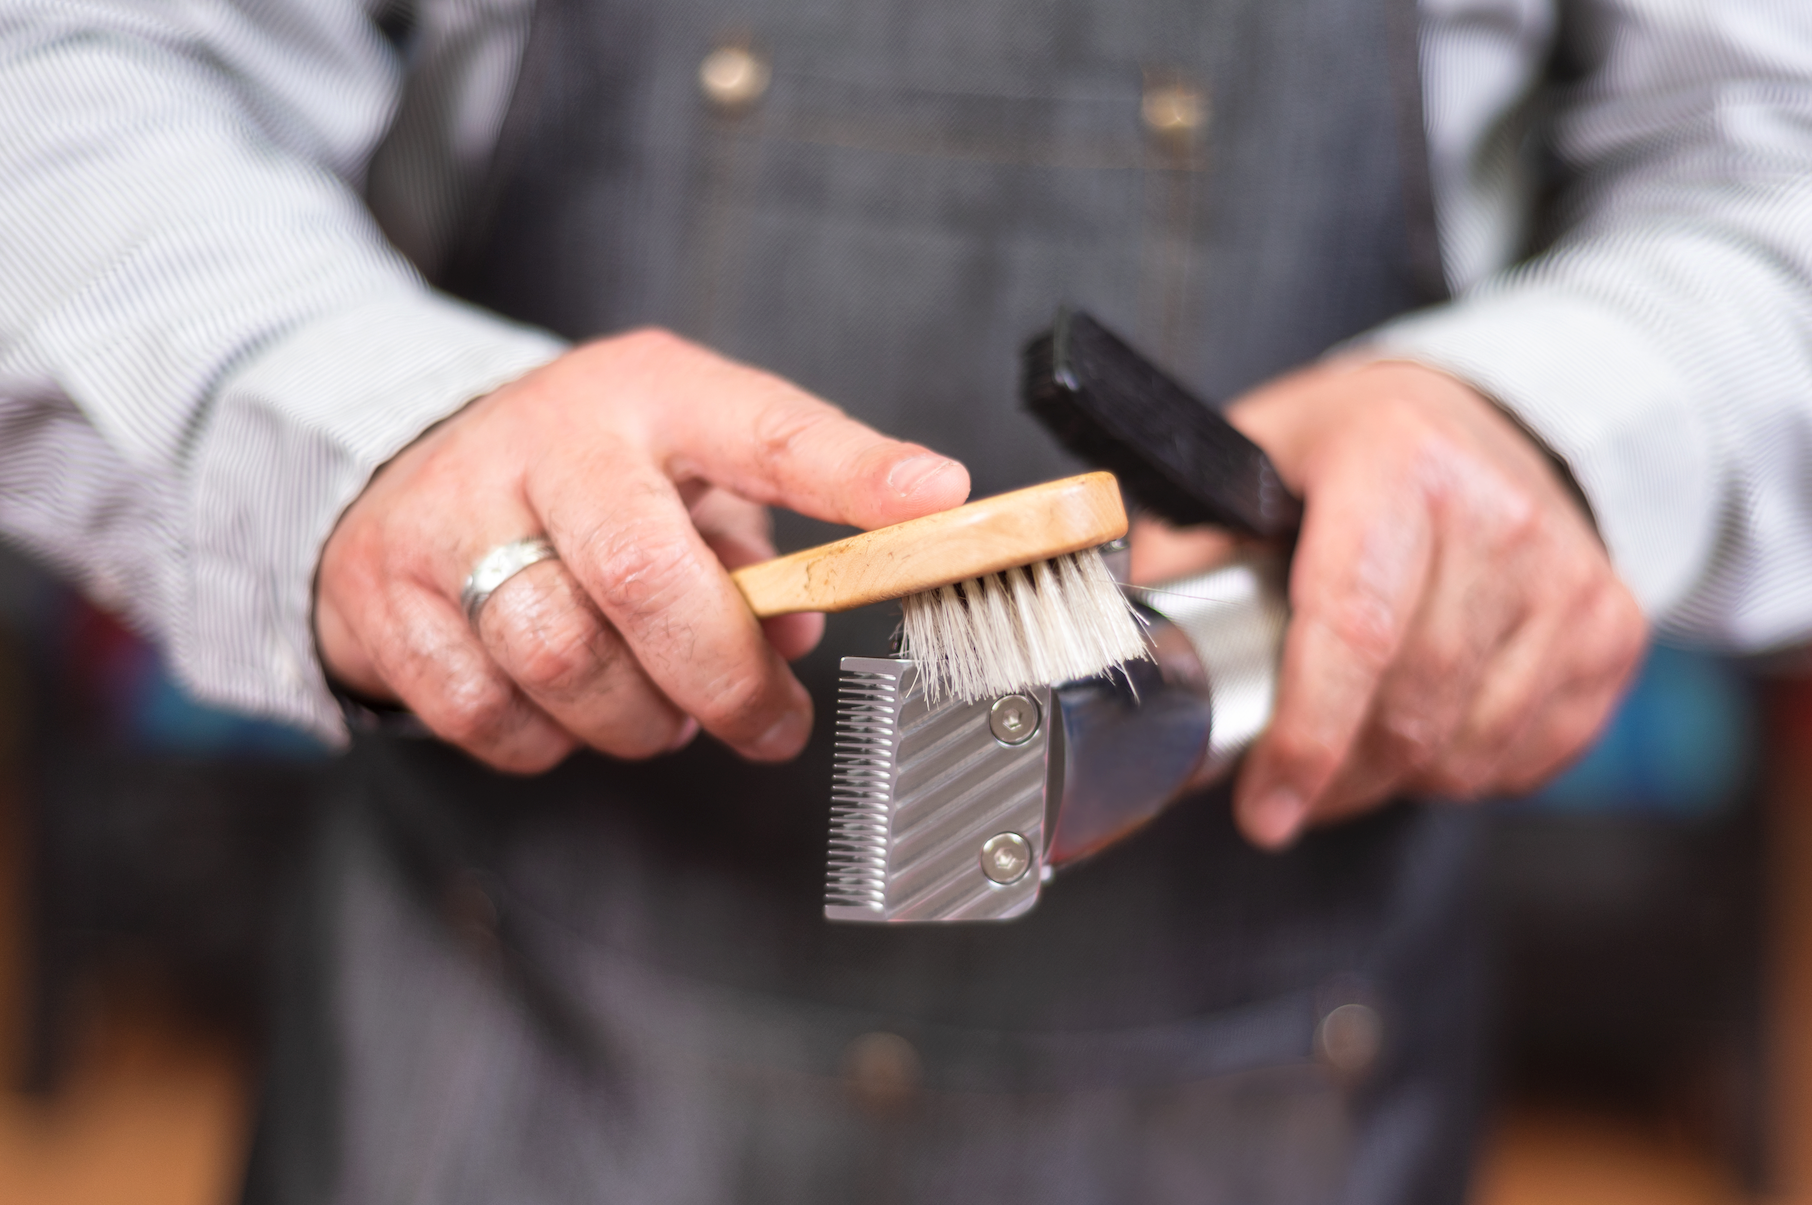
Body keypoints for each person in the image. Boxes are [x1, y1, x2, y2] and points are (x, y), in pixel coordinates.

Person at [0, 0, 1808, 1200]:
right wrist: (378, 432)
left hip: (1281, 1090)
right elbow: (78, 82)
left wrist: (1553, 426)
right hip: (488, 1068)